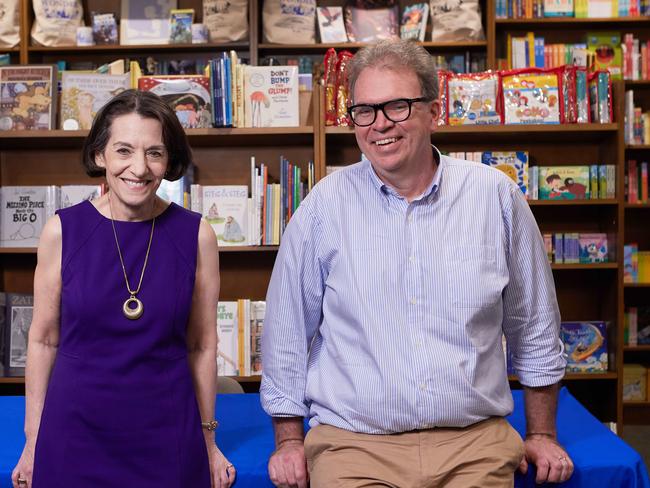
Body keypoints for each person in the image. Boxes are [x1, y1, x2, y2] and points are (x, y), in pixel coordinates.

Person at [261, 39, 574, 487]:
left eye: (398, 107)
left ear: (434, 110)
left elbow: (534, 325)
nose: (379, 124)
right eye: (364, 110)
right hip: (353, 445)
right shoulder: (322, 209)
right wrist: (289, 441)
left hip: (474, 445)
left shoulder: (496, 198)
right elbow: (287, 332)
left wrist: (542, 432)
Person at [11, 89, 236, 488]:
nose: (139, 167)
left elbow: (202, 344)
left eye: (154, 152)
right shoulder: (61, 231)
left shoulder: (196, 234)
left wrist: (208, 438)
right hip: (73, 433)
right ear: (100, 155)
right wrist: (33, 440)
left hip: (168, 434)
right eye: (124, 150)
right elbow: (43, 341)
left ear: (168, 161)